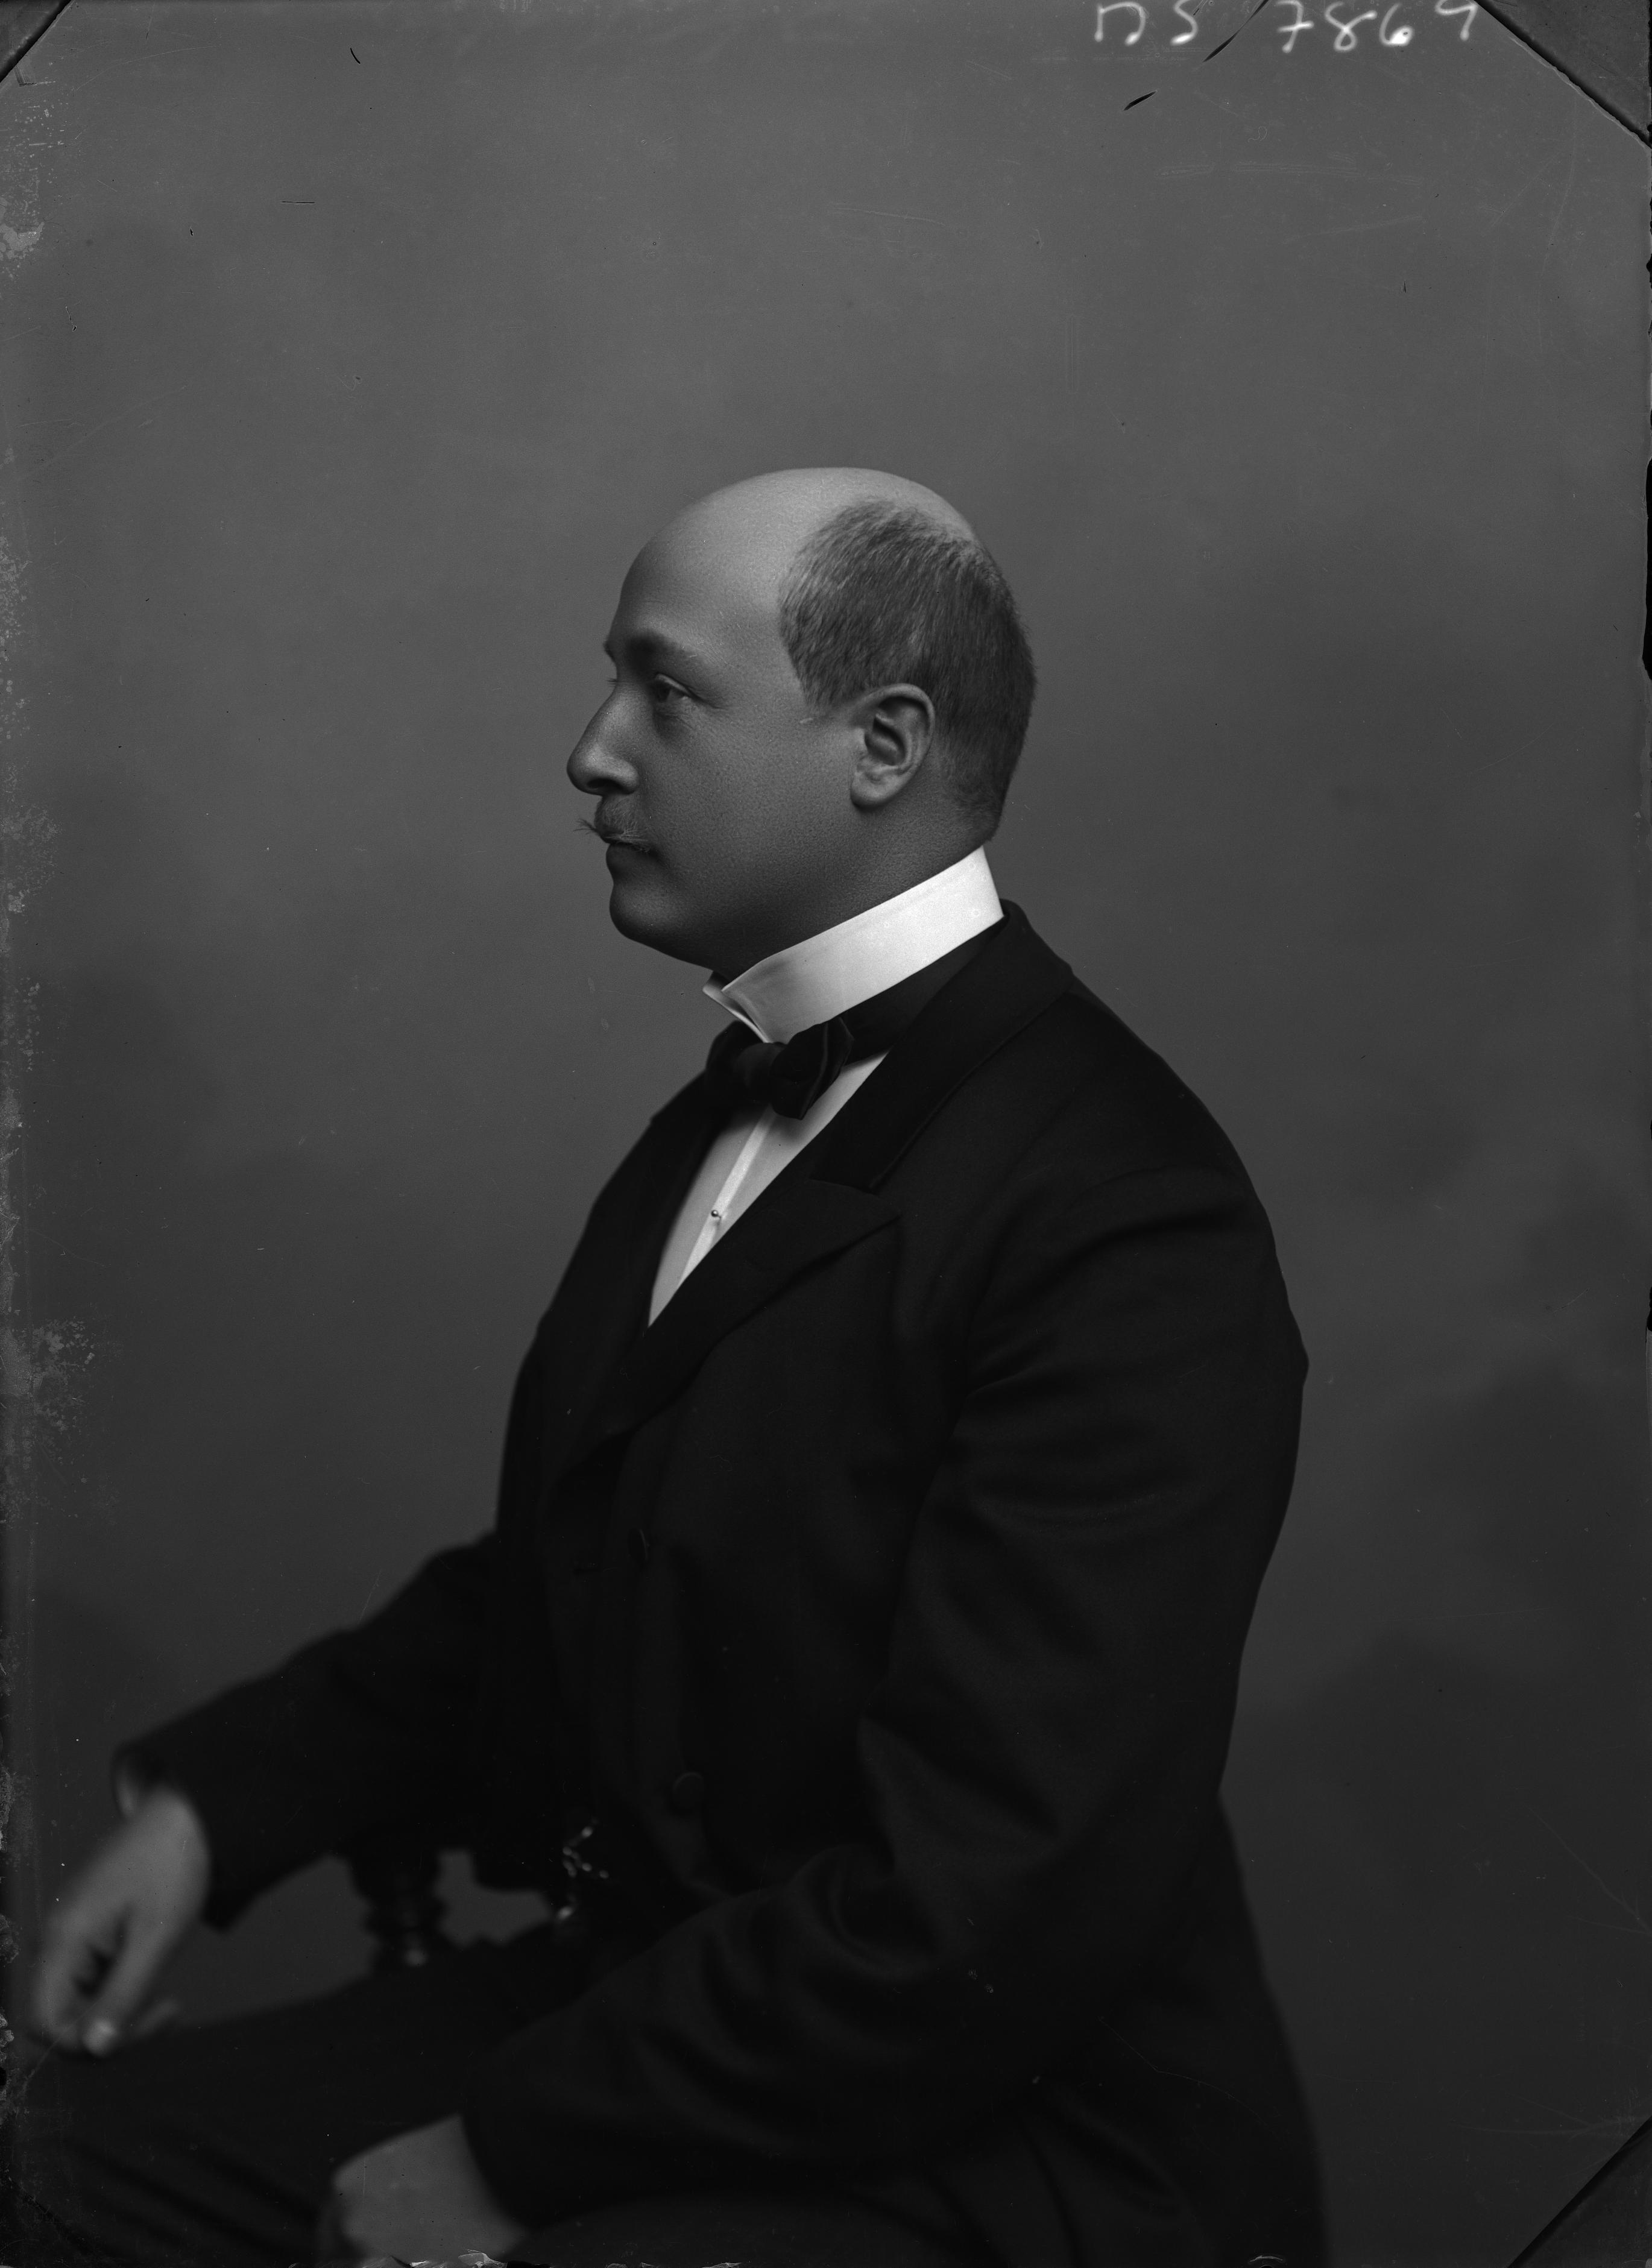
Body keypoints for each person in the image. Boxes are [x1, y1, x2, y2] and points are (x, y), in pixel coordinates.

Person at [21, 468, 1325, 2267]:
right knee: (49, 2169)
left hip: (1003, 2132)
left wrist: (511, 2153)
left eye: (666, 691)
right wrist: (214, 1807)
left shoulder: (1125, 1214)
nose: (592, 752)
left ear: (883, 745)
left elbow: (993, 1896)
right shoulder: (726, 1115)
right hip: (655, 1997)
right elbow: (588, 1571)